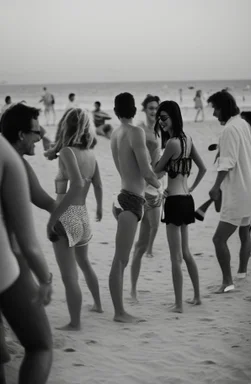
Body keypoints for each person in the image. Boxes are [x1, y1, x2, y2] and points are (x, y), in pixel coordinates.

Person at [0, 136, 52, 384]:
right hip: (3, 271)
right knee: (40, 346)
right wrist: (45, 278)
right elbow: (28, 243)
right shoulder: (5, 152)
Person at [45, 108, 103, 330]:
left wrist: (53, 218)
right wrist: (99, 207)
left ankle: (75, 323)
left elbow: (76, 184)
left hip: (66, 214)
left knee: (69, 276)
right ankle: (98, 305)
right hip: (83, 215)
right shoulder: (90, 154)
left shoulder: (68, 152)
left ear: (66, 125)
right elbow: (97, 184)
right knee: (85, 264)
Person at [110, 92, 161, 323]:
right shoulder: (136, 132)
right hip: (131, 201)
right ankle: (120, 313)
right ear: (134, 109)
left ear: (115, 110)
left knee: (122, 259)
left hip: (123, 197)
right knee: (120, 260)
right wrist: (159, 185)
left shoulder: (115, 134)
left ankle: (120, 310)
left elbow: (123, 168)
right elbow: (146, 171)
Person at [153, 101, 206, 313]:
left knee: (175, 256)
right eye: (159, 118)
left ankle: (178, 304)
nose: (161, 122)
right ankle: (197, 297)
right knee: (186, 252)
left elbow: (155, 169)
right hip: (186, 200)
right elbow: (202, 168)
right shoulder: (188, 140)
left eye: (164, 118)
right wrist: (191, 186)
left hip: (174, 202)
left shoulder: (172, 144)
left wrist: (157, 153)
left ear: (174, 117)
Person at [208, 91, 251, 292]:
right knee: (244, 232)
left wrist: (215, 186)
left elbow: (227, 163)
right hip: (250, 189)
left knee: (219, 239)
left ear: (223, 108)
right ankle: (242, 272)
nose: (213, 114)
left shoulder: (229, 130)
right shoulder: (243, 124)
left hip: (237, 192)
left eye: (215, 109)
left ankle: (228, 282)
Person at [130, 94, 163, 301]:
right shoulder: (140, 129)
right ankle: (133, 288)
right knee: (140, 245)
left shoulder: (160, 131)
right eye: (151, 108)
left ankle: (150, 249)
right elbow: (138, 161)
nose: (154, 111)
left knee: (155, 226)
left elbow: (159, 159)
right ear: (144, 109)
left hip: (156, 187)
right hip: (143, 189)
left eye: (156, 108)